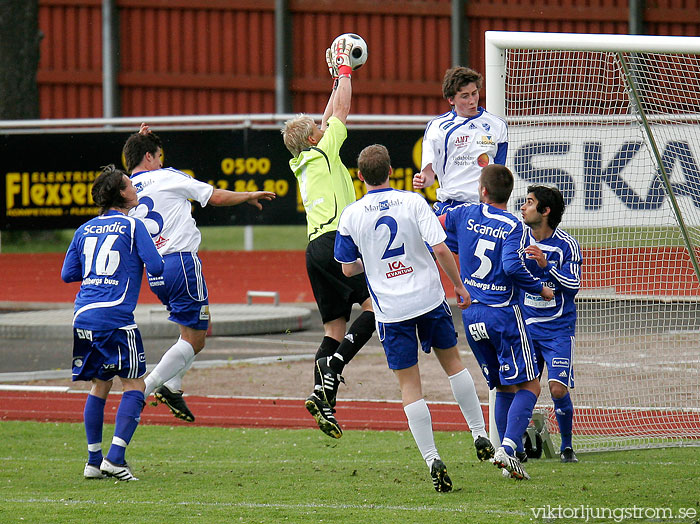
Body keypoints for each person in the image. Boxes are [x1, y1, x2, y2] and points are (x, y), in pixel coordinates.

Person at [334, 144, 494, 492]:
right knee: (453, 364)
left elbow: (347, 269)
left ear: (359, 177)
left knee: (410, 385)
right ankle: (479, 433)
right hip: (429, 298)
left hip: (392, 311)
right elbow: (439, 248)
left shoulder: (351, 215)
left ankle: (433, 458)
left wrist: (371, 262)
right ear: (391, 170)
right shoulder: (413, 201)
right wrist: (460, 287)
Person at [123, 124, 275, 422]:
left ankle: (173, 387)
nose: (162, 161)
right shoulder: (168, 176)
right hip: (180, 263)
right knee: (197, 338)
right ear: (150, 157)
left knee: (187, 331)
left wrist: (141, 141)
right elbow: (213, 196)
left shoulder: (125, 189)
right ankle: (144, 390)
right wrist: (246, 196)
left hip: (154, 271)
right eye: (159, 155)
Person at [281, 39, 375, 439]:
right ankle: (334, 371)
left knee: (333, 329)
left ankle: (323, 397)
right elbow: (341, 110)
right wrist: (346, 73)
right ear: (315, 139)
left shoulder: (304, 158)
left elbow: (325, 116)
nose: (324, 126)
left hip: (313, 249)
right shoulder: (323, 152)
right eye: (319, 129)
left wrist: (334, 79)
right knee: (375, 309)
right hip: (338, 242)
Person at [441, 164, 554, 480]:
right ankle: (506, 448)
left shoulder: (464, 214)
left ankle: (507, 457)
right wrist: (541, 287)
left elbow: (432, 232)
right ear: (509, 193)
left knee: (503, 385)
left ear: (483, 190)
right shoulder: (514, 226)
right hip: (502, 313)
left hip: (471, 315)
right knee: (530, 383)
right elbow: (512, 267)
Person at [61, 165, 165, 481]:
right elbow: (157, 264)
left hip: (83, 315)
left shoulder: (84, 230)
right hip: (116, 318)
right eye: (131, 185)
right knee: (136, 384)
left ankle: (93, 461)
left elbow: (68, 274)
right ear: (121, 193)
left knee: (100, 384)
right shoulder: (134, 227)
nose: (135, 189)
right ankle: (116, 458)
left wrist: (97, 272)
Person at [413, 66, 508, 252]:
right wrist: (424, 179)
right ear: (451, 99)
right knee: (422, 254)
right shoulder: (438, 127)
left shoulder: (497, 126)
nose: (472, 101)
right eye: (465, 96)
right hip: (451, 209)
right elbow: (429, 173)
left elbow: (499, 172)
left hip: (483, 210)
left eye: (474, 93)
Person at [520, 184, 582, 463]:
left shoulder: (566, 245)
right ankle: (518, 443)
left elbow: (574, 285)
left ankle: (567, 446)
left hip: (558, 328)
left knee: (557, 388)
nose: (523, 207)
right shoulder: (518, 239)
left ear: (545, 211)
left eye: (529, 202)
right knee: (525, 388)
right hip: (527, 327)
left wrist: (547, 266)